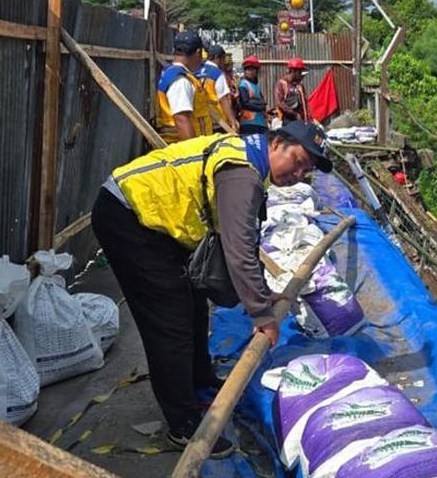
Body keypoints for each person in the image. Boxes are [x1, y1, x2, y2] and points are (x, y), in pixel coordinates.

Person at [91, 122, 333, 451]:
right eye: (299, 160)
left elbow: (243, 242)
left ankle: (200, 384)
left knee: (192, 302)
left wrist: (262, 293)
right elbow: (238, 252)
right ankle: (183, 425)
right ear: (276, 143)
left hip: (156, 223)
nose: (299, 174)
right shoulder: (243, 174)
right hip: (129, 216)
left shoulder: (252, 161)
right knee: (169, 320)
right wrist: (262, 315)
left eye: (307, 170)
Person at [155, 32, 211, 143]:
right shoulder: (181, 81)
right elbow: (181, 120)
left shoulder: (171, 72)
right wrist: (195, 153)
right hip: (182, 148)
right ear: (198, 53)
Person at [197, 44, 238, 133]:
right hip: (218, 121)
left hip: (201, 120)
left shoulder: (197, 71)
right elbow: (224, 99)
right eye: (223, 59)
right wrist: (233, 121)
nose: (223, 62)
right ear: (217, 57)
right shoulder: (217, 73)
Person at [236, 55, 270, 138]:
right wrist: (261, 107)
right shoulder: (244, 84)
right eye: (248, 69)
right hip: (248, 123)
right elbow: (245, 103)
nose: (250, 72)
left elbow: (262, 101)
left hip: (260, 122)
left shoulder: (256, 85)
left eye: (253, 69)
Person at [274, 57, 311, 124]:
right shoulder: (282, 83)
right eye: (300, 72)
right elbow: (280, 103)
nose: (301, 75)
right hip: (288, 121)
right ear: (293, 71)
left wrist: (309, 118)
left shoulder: (300, 85)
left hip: (301, 121)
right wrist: (294, 114)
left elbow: (305, 103)